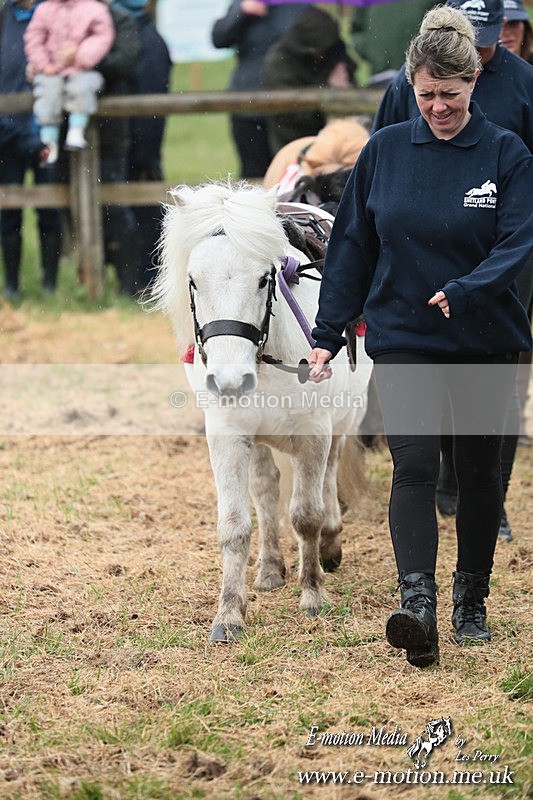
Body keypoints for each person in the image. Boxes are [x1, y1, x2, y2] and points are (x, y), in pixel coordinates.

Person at [307, 5, 533, 668]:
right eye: (426, 94)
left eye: (450, 94)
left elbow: (518, 241)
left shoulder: (505, 153)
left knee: (478, 472)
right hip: (403, 331)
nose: (437, 107)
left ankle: (470, 601)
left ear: (472, 84)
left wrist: (467, 289)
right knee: (413, 466)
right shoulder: (383, 152)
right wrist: (327, 332)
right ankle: (418, 605)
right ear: (411, 86)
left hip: (484, 336)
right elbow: (352, 245)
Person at [372, 0, 533, 536]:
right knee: (426, 363)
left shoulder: (522, 83)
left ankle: (490, 495)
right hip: (421, 249)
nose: (489, 45)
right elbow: (380, 163)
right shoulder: (411, 86)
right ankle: (443, 477)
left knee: (498, 372)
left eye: (496, 35)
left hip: (503, 245)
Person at [0, 0, 62, 298]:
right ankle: (12, 285)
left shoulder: (55, 14)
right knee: (9, 212)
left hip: (46, 133)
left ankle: (50, 286)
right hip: (8, 134)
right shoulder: (3, 19)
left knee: (49, 210)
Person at [211, 1, 304, 179]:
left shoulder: (298, 6)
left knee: (290, 171)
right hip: (248, 107)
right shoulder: (244, 4)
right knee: (253, 173)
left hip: (289, 106)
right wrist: (241, 12)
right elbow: (219, 38)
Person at [23, 0, 115, 164]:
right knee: (47, 95)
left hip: (82, 69)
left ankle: (77, 130)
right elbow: (34, 39)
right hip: (51, 71)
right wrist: (44, 64)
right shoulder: (44, 10)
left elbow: (102, 37)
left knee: (83, 88)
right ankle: (48, 142)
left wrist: (80, 55)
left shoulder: (94, 9)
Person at [263, 6, 356, 154]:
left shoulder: (332, 49)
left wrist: (345, 88)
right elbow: (292, 114)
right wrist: (330, 90)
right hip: (294, 141)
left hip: (335, 139)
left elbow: (348, 71)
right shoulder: (280, 63)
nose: (322, 56)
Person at [124, 0, 171, 290]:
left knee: (146, 213)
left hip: (140, 147)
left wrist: (145, 154)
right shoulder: (136, 35)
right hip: (131, 144)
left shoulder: (148, 42)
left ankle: (149, 279)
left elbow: (152, 109)